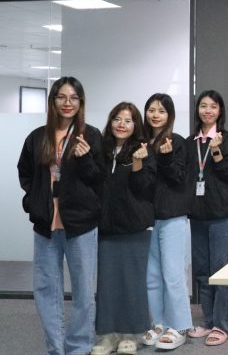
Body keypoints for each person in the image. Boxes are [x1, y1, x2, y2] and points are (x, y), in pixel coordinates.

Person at [18, 76, 104, 355]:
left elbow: (100, 179)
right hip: (46, 223)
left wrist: (86, 158)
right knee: (46, 289)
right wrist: (33, 201)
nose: (68, 103)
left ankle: (79, 347)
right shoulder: (37, 137)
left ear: (81, 103)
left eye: (74, 98)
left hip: (80, 224)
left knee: (83, 291)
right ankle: (56, 348)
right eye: (62, 97)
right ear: (53, 100)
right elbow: (25, 173)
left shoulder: (90, 135)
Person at [93, 102, 155, 355]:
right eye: (117, 119)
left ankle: (132, 334)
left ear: (135, 125)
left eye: (128, 120)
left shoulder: (143, 149)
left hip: (135, 227)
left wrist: (138, 163)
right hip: (106, 227)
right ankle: (108, 334)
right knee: (107, 284)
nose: (121, 124)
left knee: (132, 282)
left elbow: (145, 188)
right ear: (110, 122)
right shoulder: (101, 150)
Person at [138, 93, 192, 351]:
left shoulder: (177, 141)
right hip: (148, 218)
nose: (155, 115)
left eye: (161, 110)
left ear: (169, 115)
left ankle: (179, 326)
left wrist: (167, 157)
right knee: (151, 276)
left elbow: (179, 178)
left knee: (173, 275)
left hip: (172, 217)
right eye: (151, 109)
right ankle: (158, 323)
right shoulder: (142, 143)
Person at [186, 90, 228, 347]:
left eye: (213, 106)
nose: (207, 110)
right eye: (203, 106)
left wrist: (216, 152)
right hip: (197, 215)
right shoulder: (190, 142)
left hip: (221, 215)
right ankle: (207, 321)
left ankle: (223, 324)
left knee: (220, 270)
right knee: (203, 271)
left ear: (220, 111)